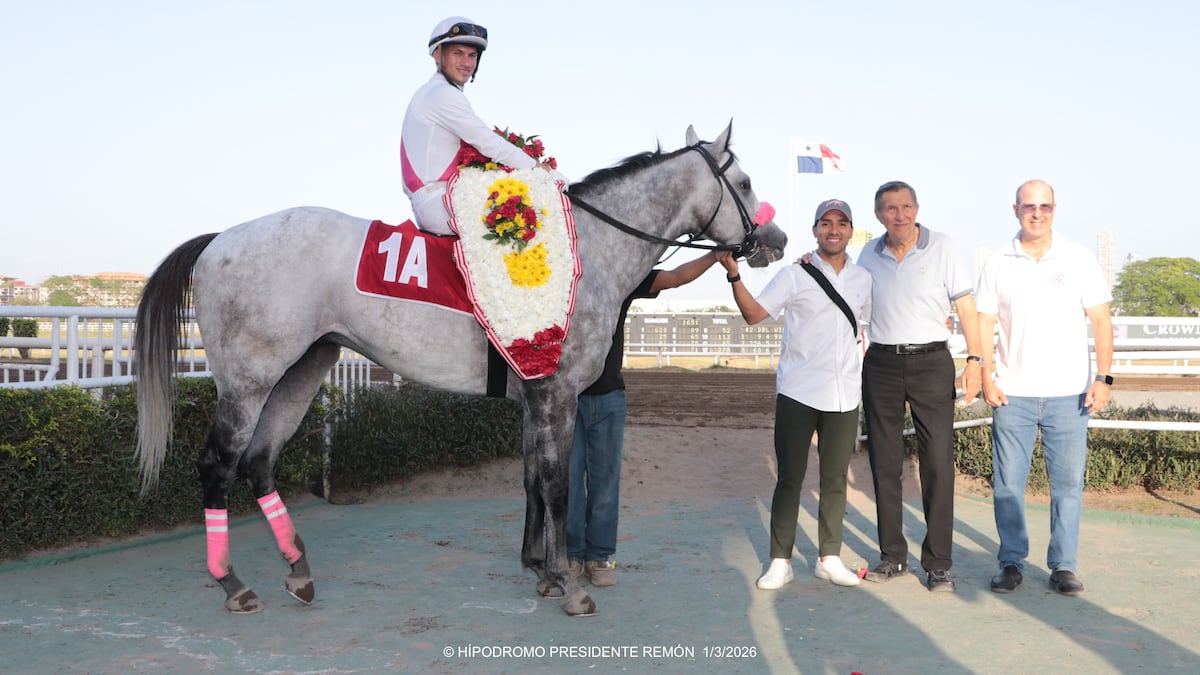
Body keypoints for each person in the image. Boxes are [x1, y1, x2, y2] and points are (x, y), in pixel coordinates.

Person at [718, 199, 872, 590]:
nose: (833, 230)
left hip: (845, 394)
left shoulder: (864, 280)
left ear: (851, 231)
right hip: (798, 390)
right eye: (825, 223)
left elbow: (867, 328)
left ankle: (829, 558)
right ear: (815, 229)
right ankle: (780, 560)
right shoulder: (794, 274)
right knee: (790, 477)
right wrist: (734, 275)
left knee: (835, 478)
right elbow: (754, 315)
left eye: (841, 223)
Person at [976, 179, 1113, 596]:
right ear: (1014, 209)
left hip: (1069, 394)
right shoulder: (998, 260)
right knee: (1007, 485)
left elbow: (1102, 320)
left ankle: (1063, 566)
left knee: (1068, 485)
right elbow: (983, 322)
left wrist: (1103, 378)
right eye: (1029, 206)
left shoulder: (1078, 258)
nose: (1037, 213)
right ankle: (1011, 562)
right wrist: (985, 376)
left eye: (1045, 207)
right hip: (1012, 393)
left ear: (1055, 209)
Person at [855, 180, 983, 592]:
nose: (900, 214)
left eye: (906, 206)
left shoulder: (942, 246)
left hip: (931, 362)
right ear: (879, 214)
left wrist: (976, 361)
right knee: (884, 464)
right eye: (890, 208)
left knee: (937, 463)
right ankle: (893, 556)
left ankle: (939, 564)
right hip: (881, 364)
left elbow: (965, 306)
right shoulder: (867, 254)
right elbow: (851, 304)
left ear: (917, 208)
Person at [568, 251, 725, 587]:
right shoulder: (560, 278)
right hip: (565, 399)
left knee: (604, 486)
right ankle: (570, 556)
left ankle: (598, 557)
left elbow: (676, 276)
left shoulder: (622, 276)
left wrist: (715, 256)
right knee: (568, 484)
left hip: (609, 398)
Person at [400, 17, 546, 235]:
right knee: (531, 212)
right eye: (457, 53)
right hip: (439, 201)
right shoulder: (442, 94)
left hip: (442, 197)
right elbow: (489, 144)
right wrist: (539, 171)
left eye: (472, 55)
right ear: (437, 54)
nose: (467, 63)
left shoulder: (434, 91)